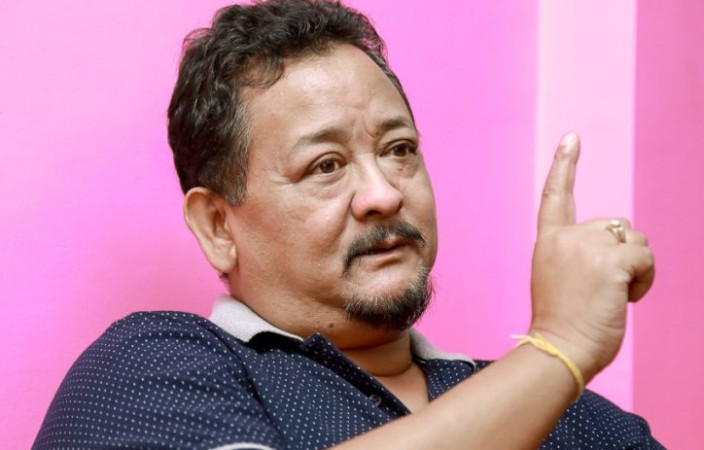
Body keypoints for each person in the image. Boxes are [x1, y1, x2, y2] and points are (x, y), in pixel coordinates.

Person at [34, 0, 662, 449]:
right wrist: (559, 346)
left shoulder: (586, 423)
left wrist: (550, 368)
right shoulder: (147, 371)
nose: (384, 194)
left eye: (398, 149)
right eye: (326, 165)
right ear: (218, 226)